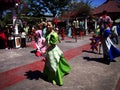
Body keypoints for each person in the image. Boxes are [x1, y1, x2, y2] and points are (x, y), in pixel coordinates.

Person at [43, 22, 71, 86]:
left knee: (54, 65)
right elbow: (47, 42)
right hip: (49, 51)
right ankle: (49, 76)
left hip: (53, 51)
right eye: (47, 25)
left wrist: (45, 50)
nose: (47, 26)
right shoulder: (48, 33)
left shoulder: (54, 34)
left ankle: (55, 79)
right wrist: (41, 47)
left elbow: (52, 44)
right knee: (49, 64)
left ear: (52, 25)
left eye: (49, 25)